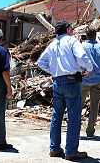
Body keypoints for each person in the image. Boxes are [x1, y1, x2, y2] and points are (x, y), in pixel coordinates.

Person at [37, 20, 93, 160]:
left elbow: (41, 62)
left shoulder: (52, 44)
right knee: (73, 117)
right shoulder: (72, 41)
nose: (73, 30)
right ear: (68, 29)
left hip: (57, 82)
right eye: (72, 28)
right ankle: (71, 151)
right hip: (71, 82)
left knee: (57, 116)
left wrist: (55, 71)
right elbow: (81, 56)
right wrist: (89, 68)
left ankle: (54, 148)